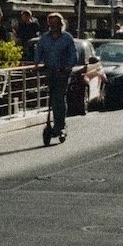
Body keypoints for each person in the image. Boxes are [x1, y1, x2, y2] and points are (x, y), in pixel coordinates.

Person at [35, 12, 78, 147]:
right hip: (50, 72)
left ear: (60, 24)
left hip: (62, 73)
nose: (52, 26)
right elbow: (39, 51)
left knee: (58, 98)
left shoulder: (67, 38)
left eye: (55, 24)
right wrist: (37, 64)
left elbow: (73, 54)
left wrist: (68, 66)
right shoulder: (44, 38)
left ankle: (60, 125)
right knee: (52, 98)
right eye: (50, 24)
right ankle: (54, 124)